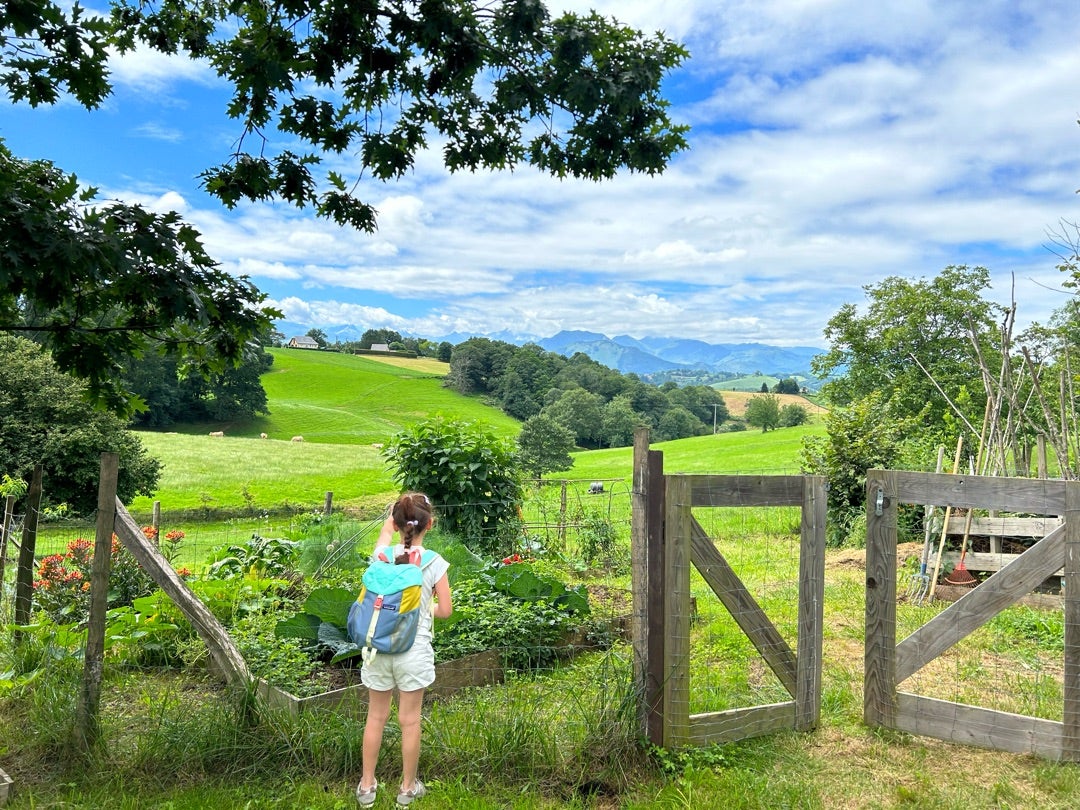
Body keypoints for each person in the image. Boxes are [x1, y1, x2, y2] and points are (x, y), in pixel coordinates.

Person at [356, 492, 452, 808]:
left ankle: (367, 786)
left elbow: (384, 535)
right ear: (430, 525)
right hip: (413, 651)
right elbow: (446, 610)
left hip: (378, 648)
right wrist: (427, 611)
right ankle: (407, 789)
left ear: (396, 524)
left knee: (375, 716)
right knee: (409, 720)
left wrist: (392, 523)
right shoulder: (433, 562)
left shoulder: (381, 556)